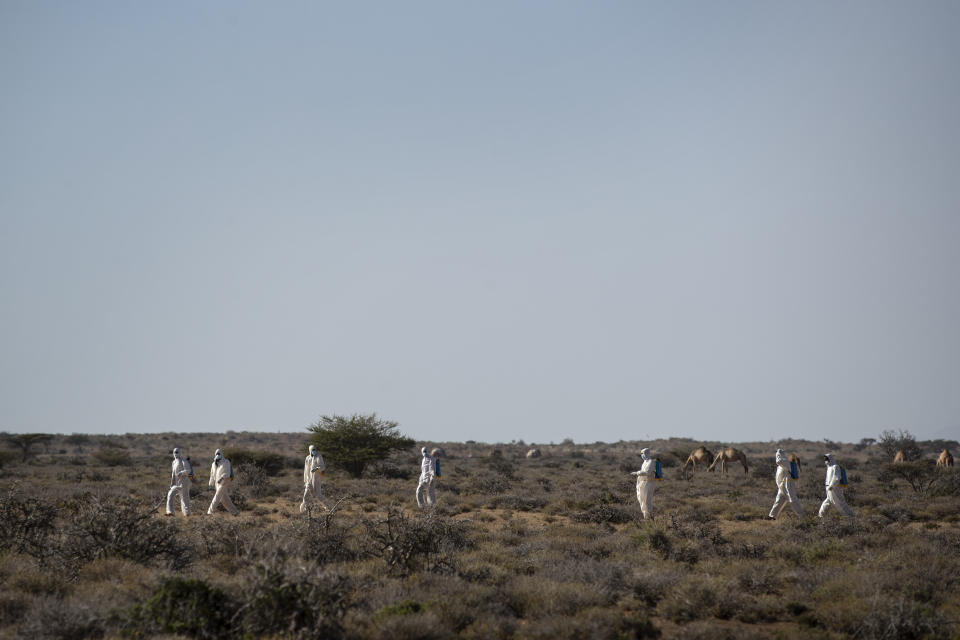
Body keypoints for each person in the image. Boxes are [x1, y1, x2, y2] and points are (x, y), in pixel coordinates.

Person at [768, 448, 803, 519]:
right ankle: (772, 516)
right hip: (782, 487)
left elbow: (779, 461)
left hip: (788, 485)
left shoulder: (785, 462)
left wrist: (778, 454)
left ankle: (802, 516)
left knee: (793, 500)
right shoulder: (781, 465)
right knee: (778, 501)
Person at [818, 453, 854, 518]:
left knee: (840, 503)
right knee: (827, 503)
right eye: (825, 459)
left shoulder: (835, 466)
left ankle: (850, 517)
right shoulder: (829, 467)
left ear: (830, 459)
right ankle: (821, 516)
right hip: (829, 488)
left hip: (835, 489)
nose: (825, 460)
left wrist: (832, 485)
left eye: (826, 459)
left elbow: (837, 477)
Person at [300, 445, 332, 513]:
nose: (314, 451)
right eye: (312, 449)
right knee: (306, 495)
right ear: (310, 450)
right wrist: (305, 480)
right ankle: (304, 510)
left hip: (316, 479)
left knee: (318, 495)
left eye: (315, 449)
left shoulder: (318, 456)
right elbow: (306, 470)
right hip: (309, 479)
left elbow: (322, 466)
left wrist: (316, 469)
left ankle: (328, 507)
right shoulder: (307, 458)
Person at [207, 449, 238, 515]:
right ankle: (235, 512)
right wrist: (210, 483)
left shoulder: (226, 462)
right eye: (216, 453)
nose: (218, 455)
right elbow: (212, 474)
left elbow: (228, 473)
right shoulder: (214, 464)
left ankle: (210, 512)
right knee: (224, 499)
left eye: (219, 453)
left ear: (221, 454)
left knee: (217, 496)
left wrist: (221, 478)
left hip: (224, 482)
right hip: (217, 484)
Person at [630, 447, 657, 520]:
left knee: (647, 500)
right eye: (641, 453)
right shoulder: (645, 462)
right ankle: (646, 517)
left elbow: (647, 472)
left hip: (649, 482)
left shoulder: (651, 462)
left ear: (647, 453)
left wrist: (637, 473)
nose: (642, 455)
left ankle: (650, 517)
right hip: (643, 483)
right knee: (641, 500)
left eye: (643, 453)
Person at [165, 447, 193, 517]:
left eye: (177, 452)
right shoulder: (173, 462)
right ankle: (170, 512)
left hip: (184, 482)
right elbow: (173, 474)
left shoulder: (183, 461)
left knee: (184, 499)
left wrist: (182, 472)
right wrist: (172, 484)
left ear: (180, 453)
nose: (175, 454)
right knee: (170, 494)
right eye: (174, 452)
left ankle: (187, 514)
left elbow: (188, 470)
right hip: (176, 483)